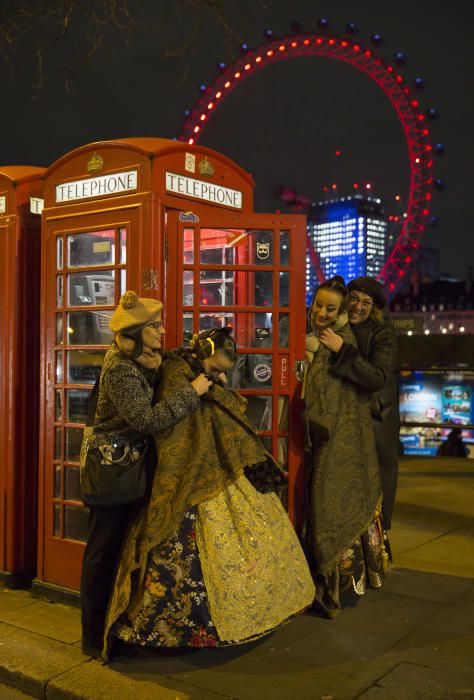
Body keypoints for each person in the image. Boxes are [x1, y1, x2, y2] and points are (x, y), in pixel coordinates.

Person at [103, 327, 315, 656]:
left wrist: (213, 386)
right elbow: (170, 427)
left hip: (216, 466)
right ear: (203, 353)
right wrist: (199, 390)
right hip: (187, 475)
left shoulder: (200, 375)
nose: (218, 375)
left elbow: (218, 416)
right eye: (216, 368)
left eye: (223, 372)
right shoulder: (177, 375)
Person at [80, 291, 212, 658]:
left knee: (119, 553)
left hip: (130, 470)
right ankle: (93, 639)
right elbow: (147, 420)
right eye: (154, 326)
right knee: (102, 554)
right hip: (112, 473)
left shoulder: (142, 360)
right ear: (134, 334)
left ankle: (115, 630)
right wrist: (193, 391)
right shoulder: (121, 369)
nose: (162, 330)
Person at [303, 276, 386, 618]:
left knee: (327, 507)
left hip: (335, 437)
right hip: (304, 435)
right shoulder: (302, 335)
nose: (321, 313)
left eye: (330, 308)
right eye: (317, 305)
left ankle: (329, 585)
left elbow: (371, 381)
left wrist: (339, 350)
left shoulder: (344, 341)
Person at [318, 276, 400, 531]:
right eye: (353, 298)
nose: (358, 306)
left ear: (373, 307)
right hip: (344, 419)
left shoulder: (383, 334)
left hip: (375, 421)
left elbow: (378, 377)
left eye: (366, 302)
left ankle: (377, 549)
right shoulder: (337, 326)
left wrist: (343, 349)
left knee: (375, 489)